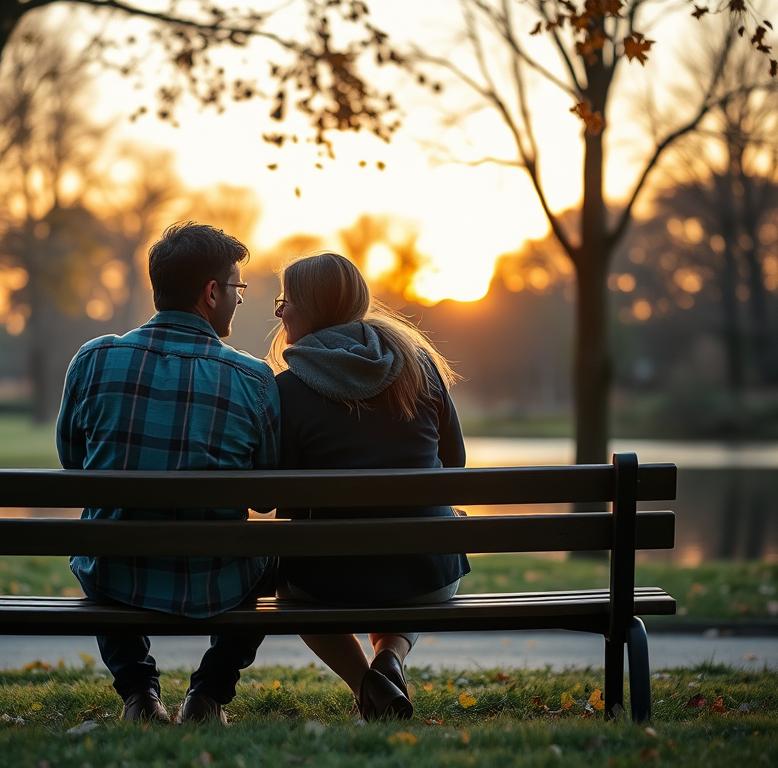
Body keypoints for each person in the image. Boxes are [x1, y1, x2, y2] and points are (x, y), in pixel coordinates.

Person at [56, 222, 280, 725]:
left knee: (100, 539)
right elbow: (266, 496)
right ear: (211, 293)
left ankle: (139, 695)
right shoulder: (253, 379)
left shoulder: (92, 360)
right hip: (217, 577)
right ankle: (207, 695)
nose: (240, 300)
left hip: (118, 571)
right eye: (237, 288)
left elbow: (74, 465)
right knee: (276, 558)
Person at [267, 252, 469, 721]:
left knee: (289, 591)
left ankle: (367, 684)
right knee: (413, 546)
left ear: (312, 309)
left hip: (323, 585)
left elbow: (270, 497)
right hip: (427, 577)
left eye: (285, 302)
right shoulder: (418, 365)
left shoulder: (288, 388)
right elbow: (455, 465)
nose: (280, 313)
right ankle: (389, 660)